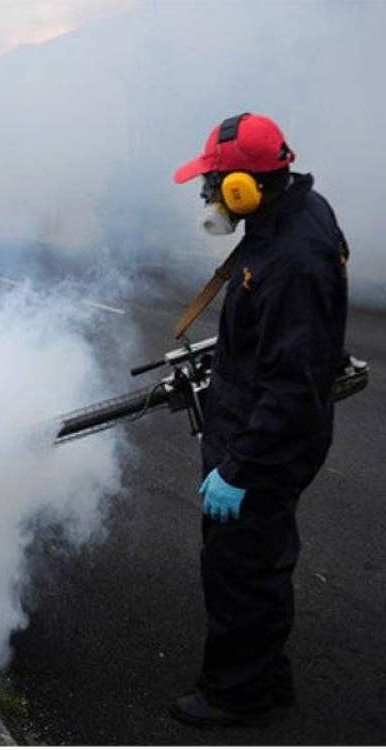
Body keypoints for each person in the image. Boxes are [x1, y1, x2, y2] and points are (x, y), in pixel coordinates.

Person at [169, 113, 349, 727]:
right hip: (254, 423)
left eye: (214, 182)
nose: (208, 194)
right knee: (261, 559)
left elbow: (293, 388)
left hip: (262, 442)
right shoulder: (288, 217)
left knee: (239, 568)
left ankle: (234, 694)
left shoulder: (295, 259)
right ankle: (266, 676)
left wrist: (240, 467)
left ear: (245, 186)